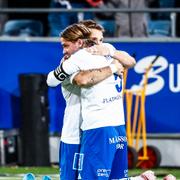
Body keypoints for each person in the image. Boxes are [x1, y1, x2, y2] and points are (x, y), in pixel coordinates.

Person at [47, 22, 134, 179]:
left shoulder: (103, 54)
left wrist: (111, 53)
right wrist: (114, 66)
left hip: (96, 128)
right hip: (79, 133)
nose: (97, 45)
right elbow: (79, 79)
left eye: (100, 40)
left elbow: (130, 61)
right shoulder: (80, 61)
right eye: (94, 39)